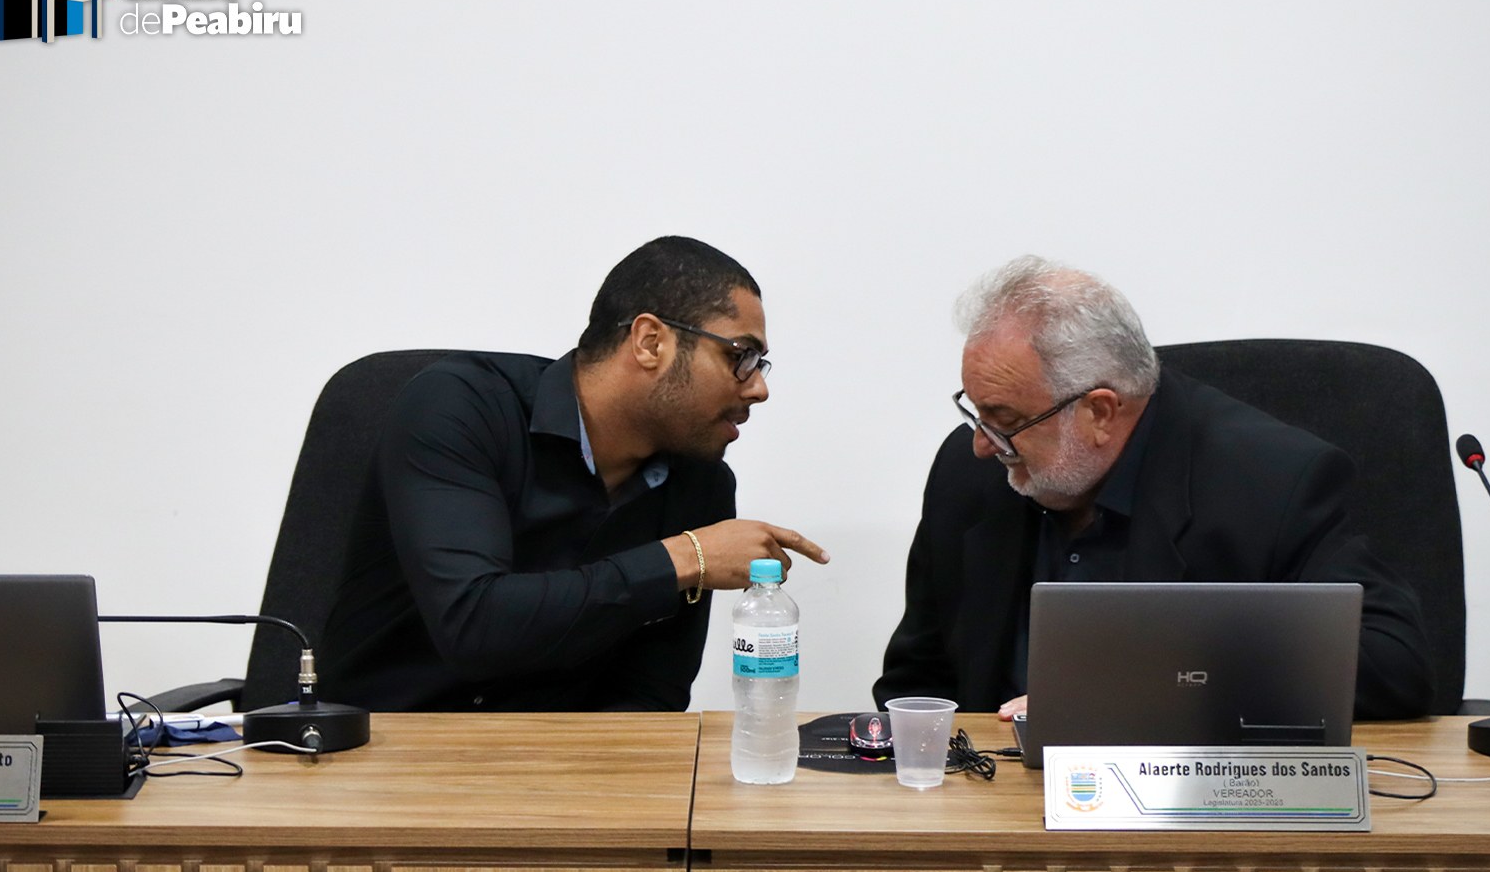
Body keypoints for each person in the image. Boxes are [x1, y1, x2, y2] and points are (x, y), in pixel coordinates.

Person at [872, 256, 1433, 721]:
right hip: (993, 794)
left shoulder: (1272, 480)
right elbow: (916, 678)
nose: (981, 444)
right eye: (976, 412)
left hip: (1192, 797)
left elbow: (1394, 665)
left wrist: (1142, 691)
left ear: (1099, 412)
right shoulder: (970, 473)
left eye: (1005, 419)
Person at [322, 235, 828, 712]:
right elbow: (473, 626)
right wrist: (685, 557)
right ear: (651, 342)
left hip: (562, 757)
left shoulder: (703, 484)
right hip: (386, 743)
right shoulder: (460, 407)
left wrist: (596, 772)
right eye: (741, 356)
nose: (759, 388)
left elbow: (653, 693)